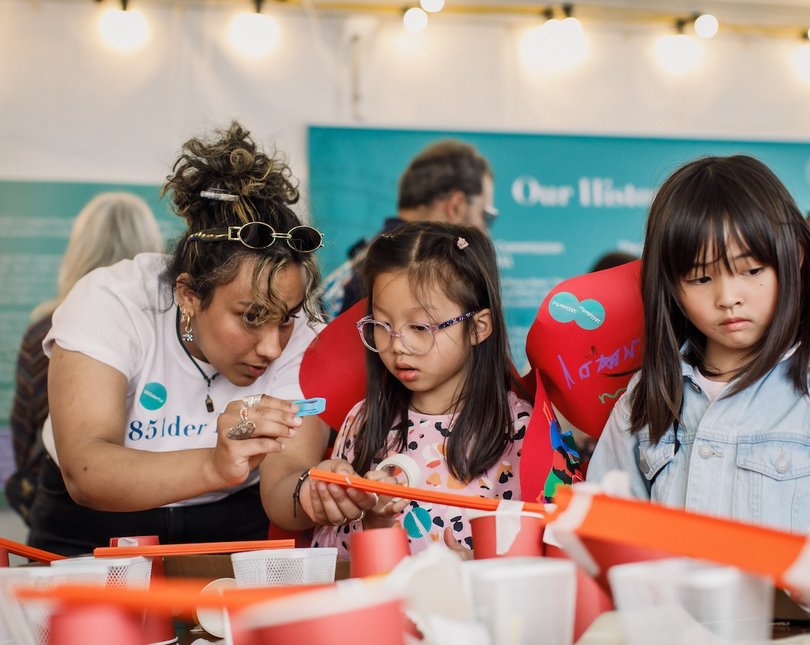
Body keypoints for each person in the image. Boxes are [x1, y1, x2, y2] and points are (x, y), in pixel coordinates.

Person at [27, 122, 369, 555]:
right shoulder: (113, 301)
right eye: (251, 317)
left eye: (285, 318)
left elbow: (284, 483)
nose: (272, 346)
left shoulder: (302, 339)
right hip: (90, 529)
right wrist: (214, 464)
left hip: (230, 524)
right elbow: (86, 469)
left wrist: (314, 494)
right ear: (189, 294)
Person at [587, 154, 810, 535]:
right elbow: (603, 534)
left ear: (796, 256)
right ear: (671, 287)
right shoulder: (643, 400)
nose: (728, 297)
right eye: (700, 279)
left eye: (751, 270)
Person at [310, 221, 532, 557]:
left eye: (419, 326)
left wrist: (479, 568)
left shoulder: (521, 431)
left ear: (477, 327)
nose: (398, 345)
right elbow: (326, 555)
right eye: (382, 325)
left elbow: (551, 551)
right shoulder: (364, 422)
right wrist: (375, 522)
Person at [5, 192, 165, 527]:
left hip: (67, 514)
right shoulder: (164, 334)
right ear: (151, 246)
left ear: (78, 249)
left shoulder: (41, 331)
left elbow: (26, 434)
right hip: (159, 507)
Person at [321, 139, 497, 319]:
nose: (486, 230)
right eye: (487, 215)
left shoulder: (376, 254)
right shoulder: (408, 268)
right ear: (456, 205)